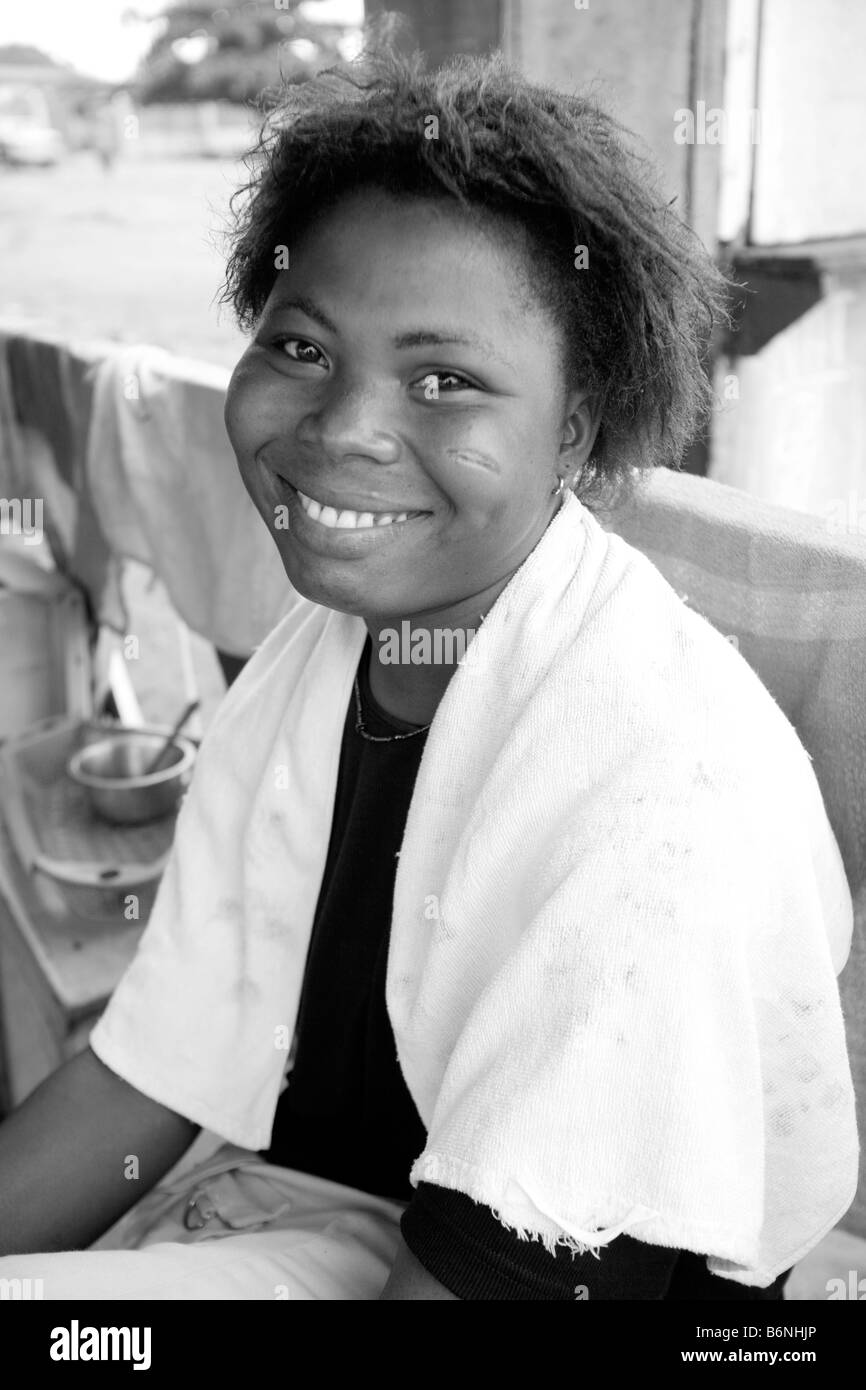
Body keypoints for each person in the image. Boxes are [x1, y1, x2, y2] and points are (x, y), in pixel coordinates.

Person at [0, 39, 857, 1300]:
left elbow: (515, 1270)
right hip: (314, 1210)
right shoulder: (317, 665)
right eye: (300, 348)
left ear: (571, 429)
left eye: (444, 380)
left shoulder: (657, 806)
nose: (341, 429)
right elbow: (157, 1069)